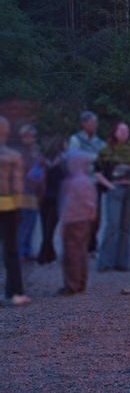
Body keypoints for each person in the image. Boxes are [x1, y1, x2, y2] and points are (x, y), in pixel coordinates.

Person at [95, 122, 130, 272]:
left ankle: (122, 262)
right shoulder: (106, 151)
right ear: (115, 132)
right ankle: (105, 262)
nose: (124, 133)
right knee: (113, 225)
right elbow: (97, 171)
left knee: (126, 227)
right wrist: (110, 186)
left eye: (126, 131)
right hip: (115, 188)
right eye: (121, 130)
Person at [0, 116, 31, 306]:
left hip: (9, 205)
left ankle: (15, 292)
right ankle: (15, 292)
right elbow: (17, 185)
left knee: (11, 250)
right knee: (11, 250)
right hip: (9, 207)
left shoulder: (13, 156)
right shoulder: (13, 156)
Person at [59, 151, 97, 295]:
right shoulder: (88, 181)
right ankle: (81, 283)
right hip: (85, 220)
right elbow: (92, 203)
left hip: (72, 221)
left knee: (71, 253)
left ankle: (71, 285)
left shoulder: (72, 183)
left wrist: (63, 224)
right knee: (81, 251)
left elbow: (68, 205)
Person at [69, 111, 105, 254]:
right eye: (91, 122)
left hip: (95, 183)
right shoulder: (75, 139)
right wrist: (94, 158)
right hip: (81, 184)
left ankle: (92, 244)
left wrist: (90, 159)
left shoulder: (100, 142)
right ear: (83, 124)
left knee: (95, 216)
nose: (94, 125)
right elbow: (74, 160)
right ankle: (80, 244)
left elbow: (104, 160)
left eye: (96, 123)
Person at [37, 136, 68, 264]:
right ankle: (45, 255)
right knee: (51, 227)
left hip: (43, 195)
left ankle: (49, 253)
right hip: (57, 196)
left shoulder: (42, 160)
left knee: (45, 226)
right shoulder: (64, 161)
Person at [16, 124, 43, 262]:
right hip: (24, 189)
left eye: (32, 136)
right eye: (26, 136)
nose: (29, 139)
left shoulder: (37, 150)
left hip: (35, 189)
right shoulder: (19, 152)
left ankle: (28, 250)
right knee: (24, 222)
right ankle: (21, 252)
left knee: (32, 221)